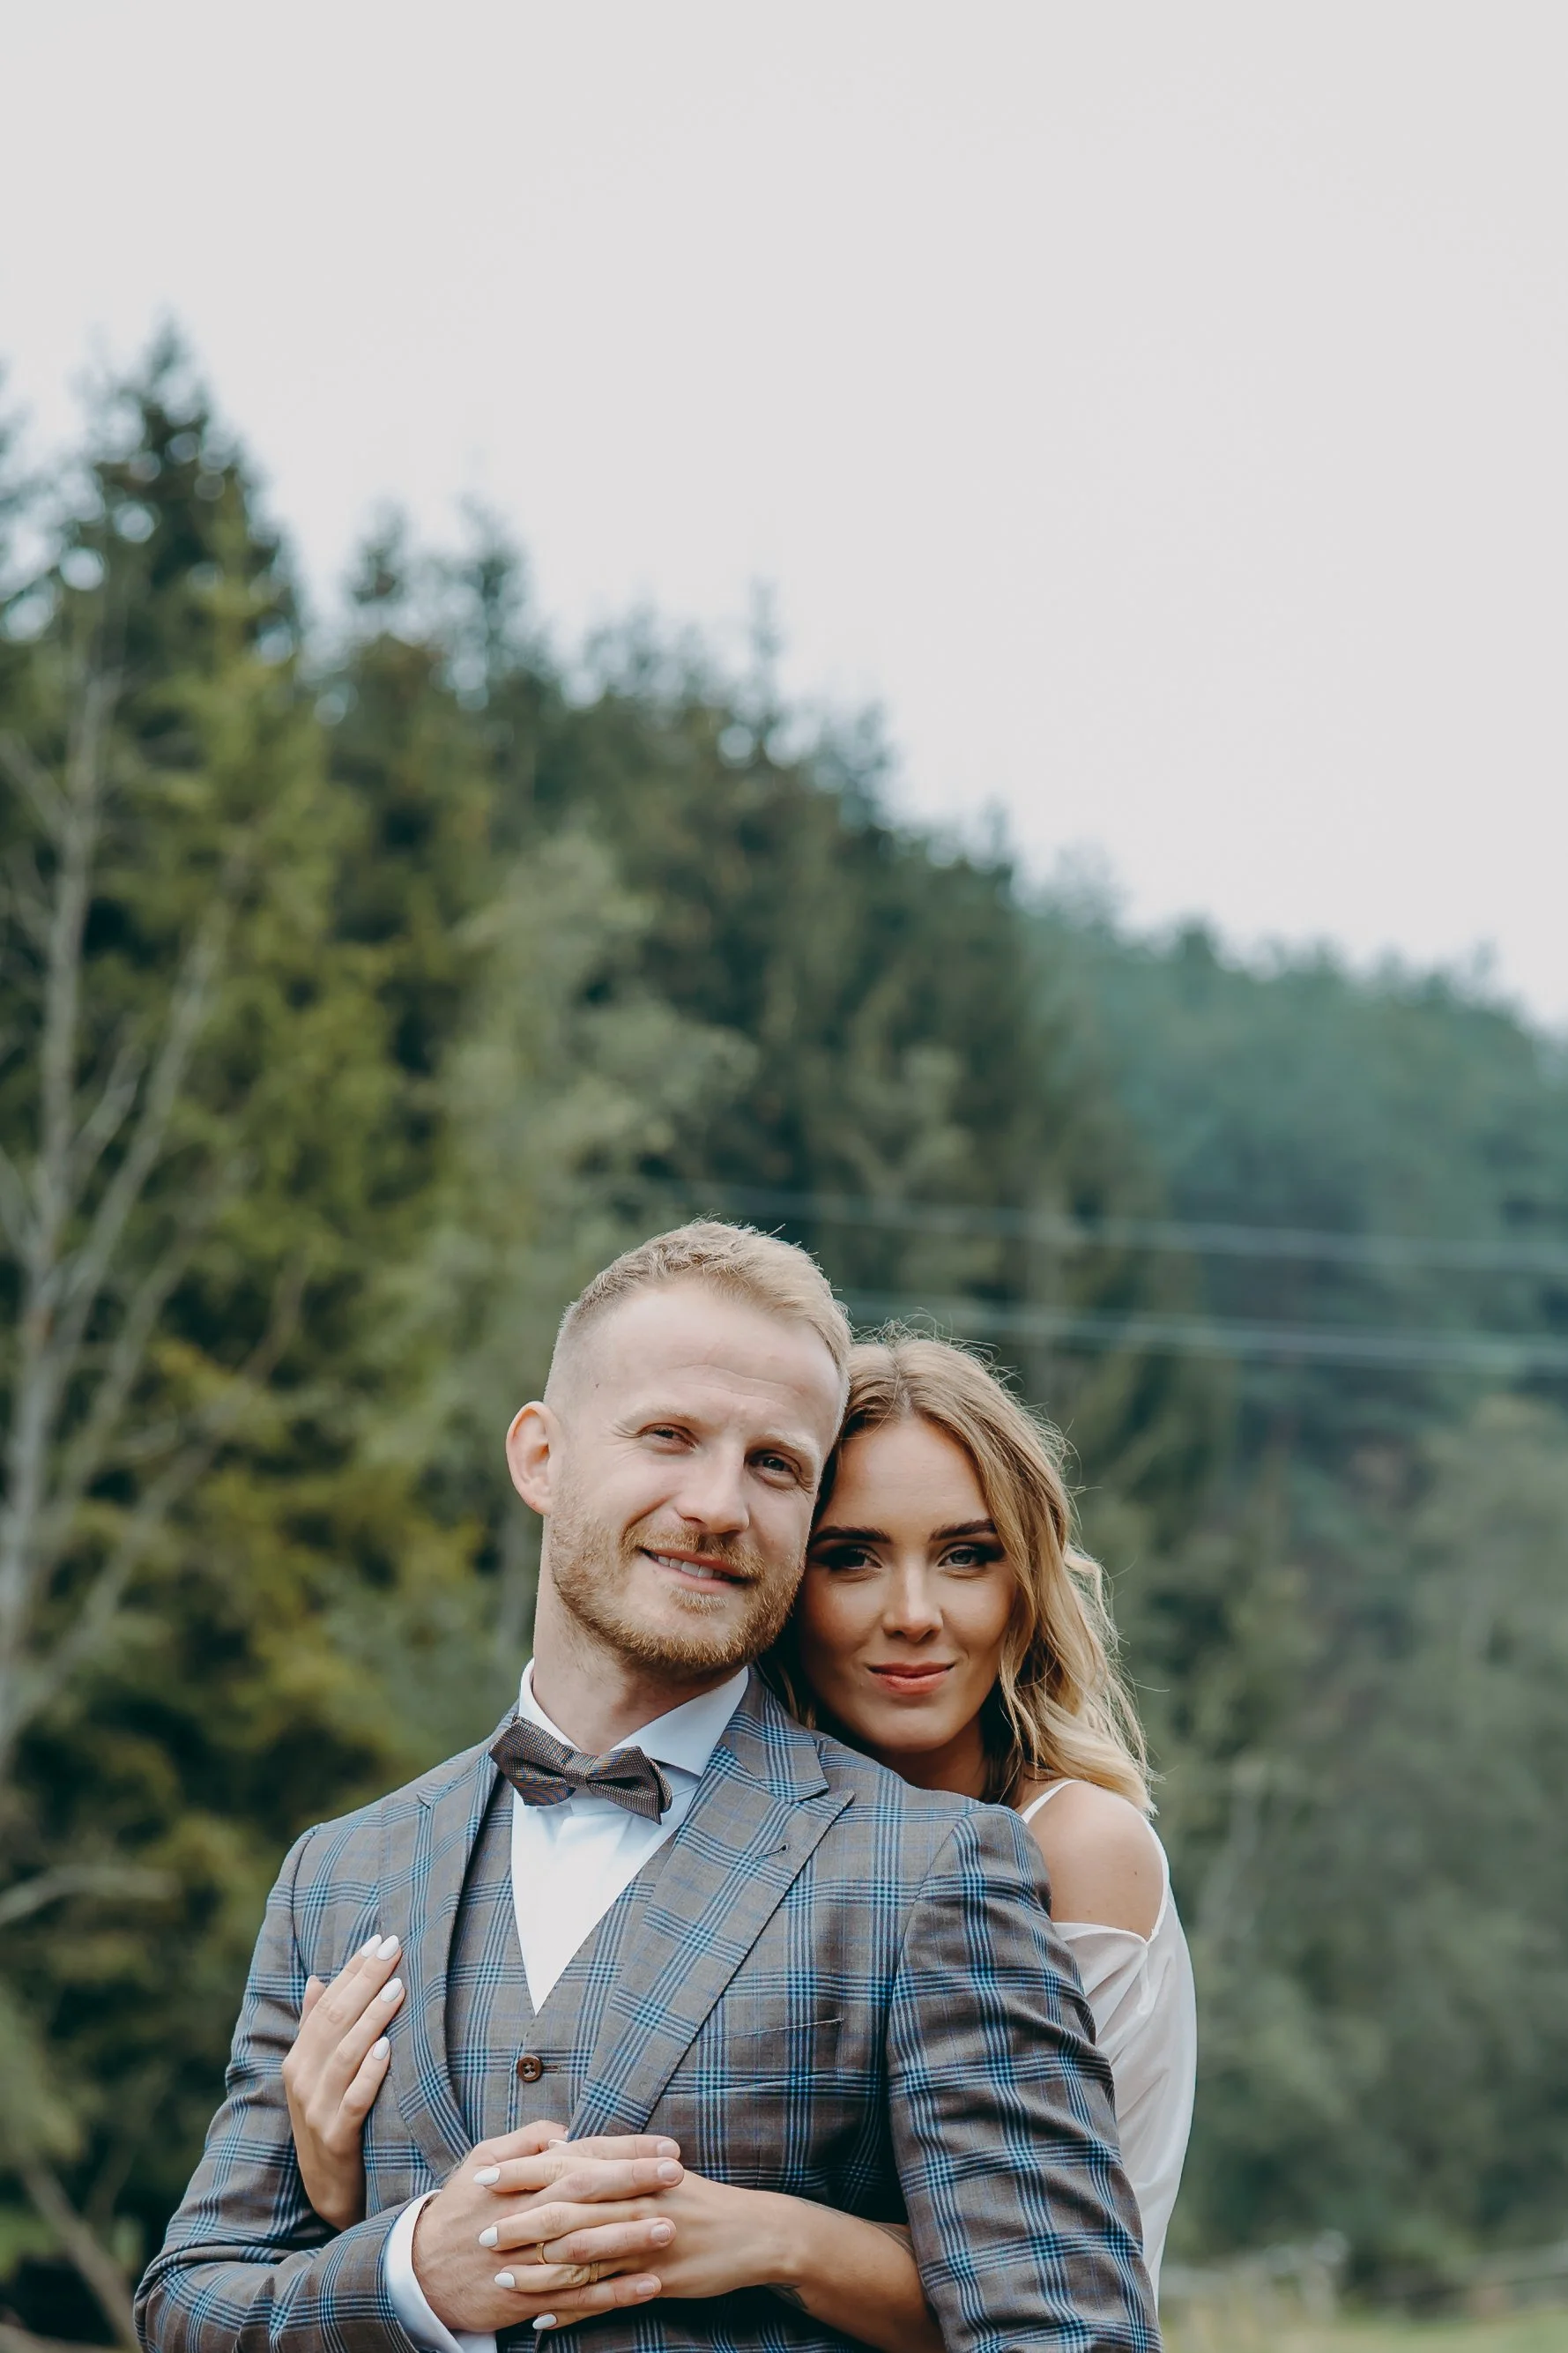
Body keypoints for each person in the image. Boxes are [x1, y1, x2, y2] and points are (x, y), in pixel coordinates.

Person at [137, 1224, 1157, 2353]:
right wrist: (410, 2273)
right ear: (540, 1455)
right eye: (670, 1435)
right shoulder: (337, 1875)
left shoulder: (936, 1868)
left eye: (776, 1465)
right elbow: (190, 2306)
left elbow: (1070, 2331)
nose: (718, 1503)